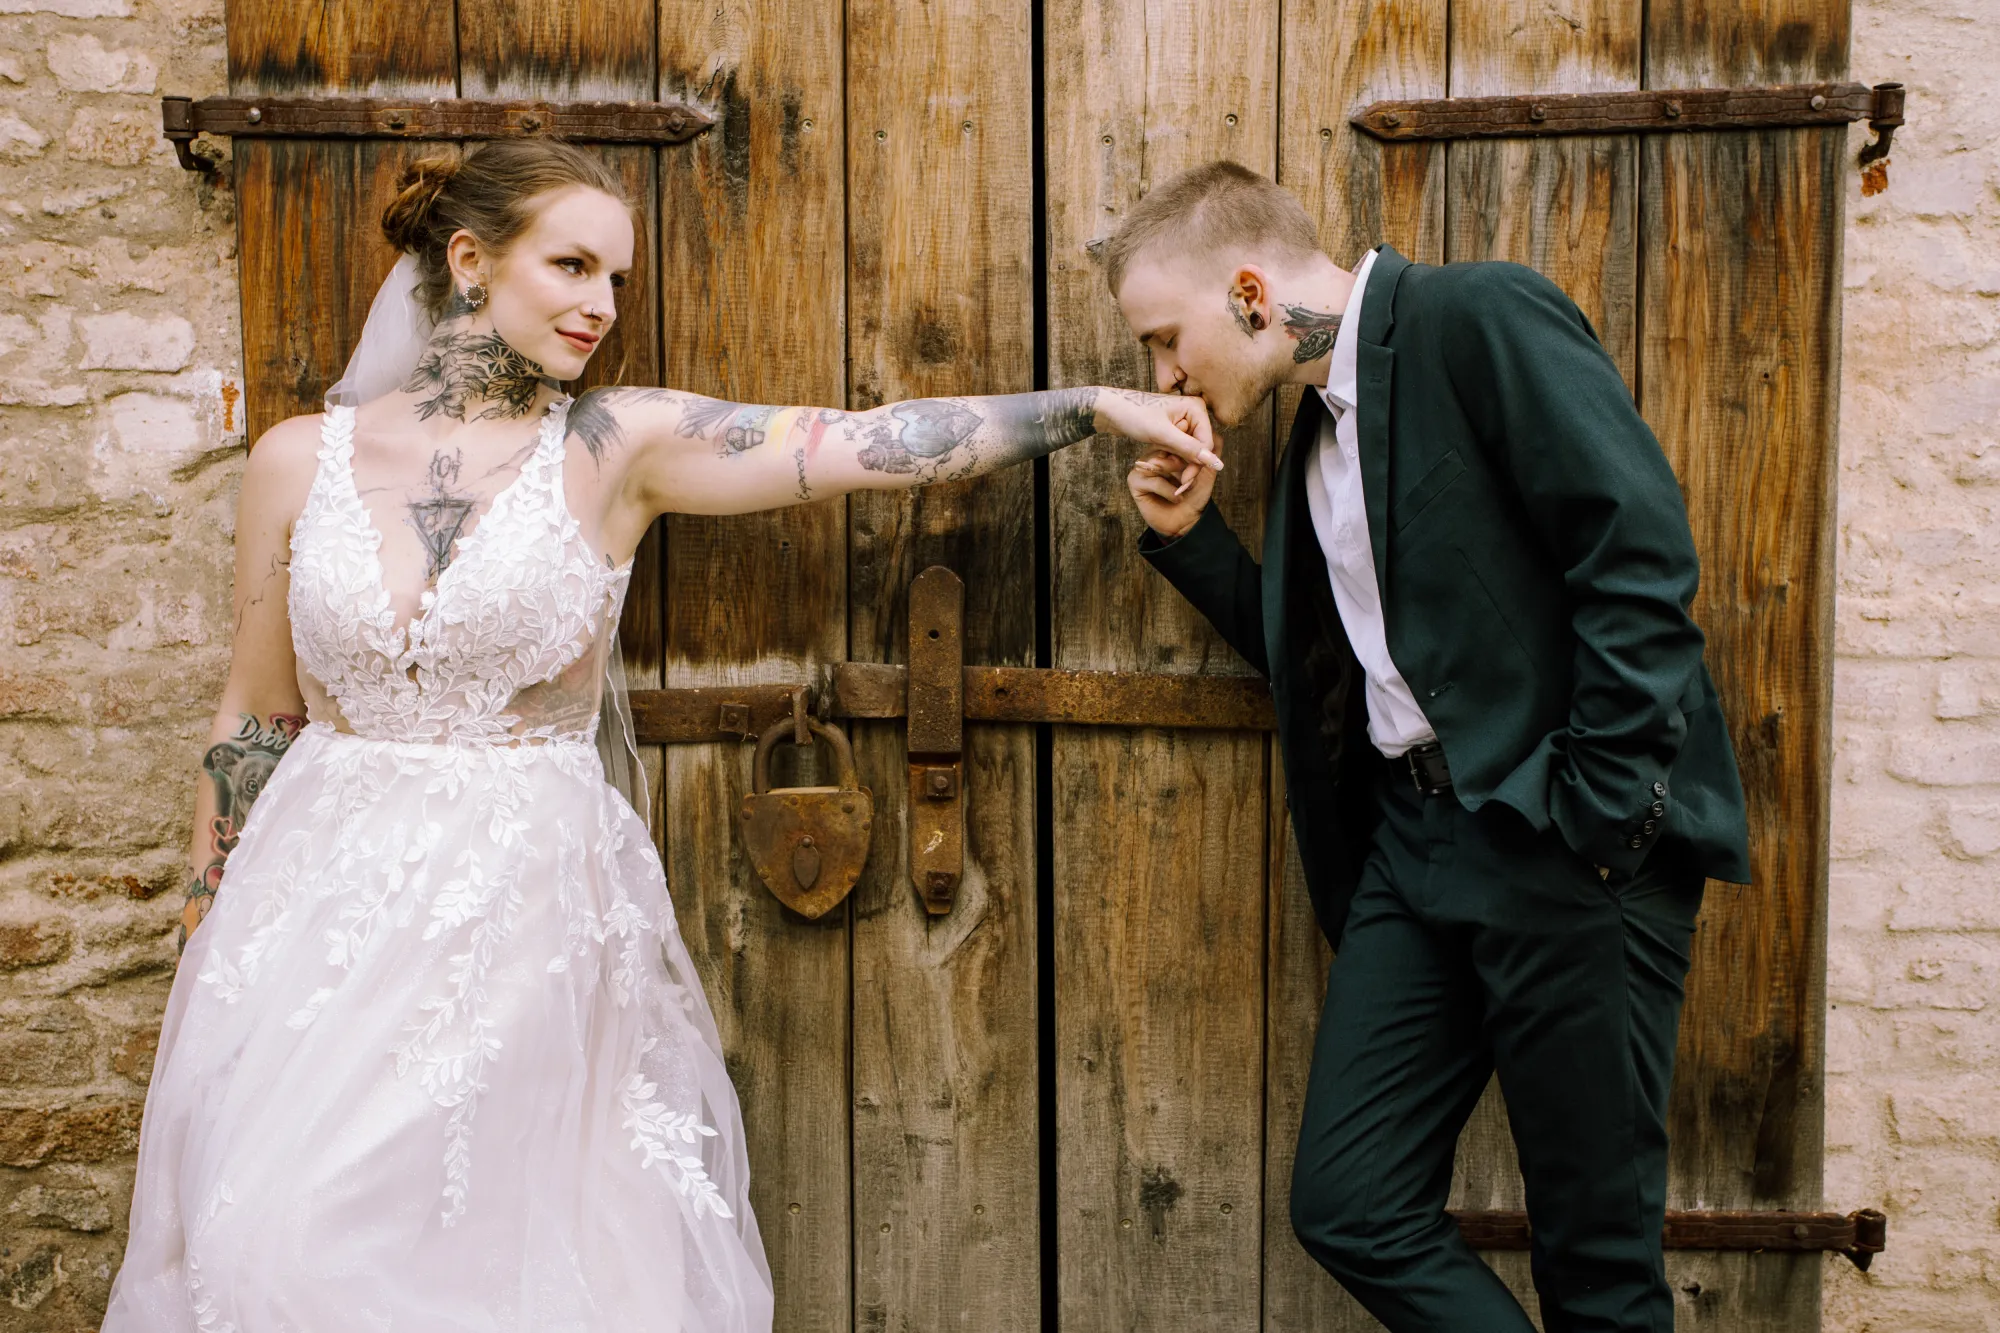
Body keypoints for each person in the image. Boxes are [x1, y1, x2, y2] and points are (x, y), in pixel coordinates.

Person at [103, 137, 1218, 1332]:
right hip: (313, 920)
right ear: (470, 261)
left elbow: (866, 441)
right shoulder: (294, 461)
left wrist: (1086, 408)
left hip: (520, 920)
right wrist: (208, 928)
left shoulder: (614, 447)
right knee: (277, 1252)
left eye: (617, 279)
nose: (602, 304)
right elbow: (255, 713)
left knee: (499, 1264)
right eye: (572, 266)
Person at [1115, 161, 1751, 1331]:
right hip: (1414, 853)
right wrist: (1189, 538)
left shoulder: (1476, 316)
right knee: (1349, 1205)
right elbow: (1328, 669)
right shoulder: (1317, 437)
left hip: (1565, 843)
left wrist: (1597, 813)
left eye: (1164, 340)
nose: (1162, 379)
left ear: (1248, 293)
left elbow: (1638, 559)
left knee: (1596, 1269)